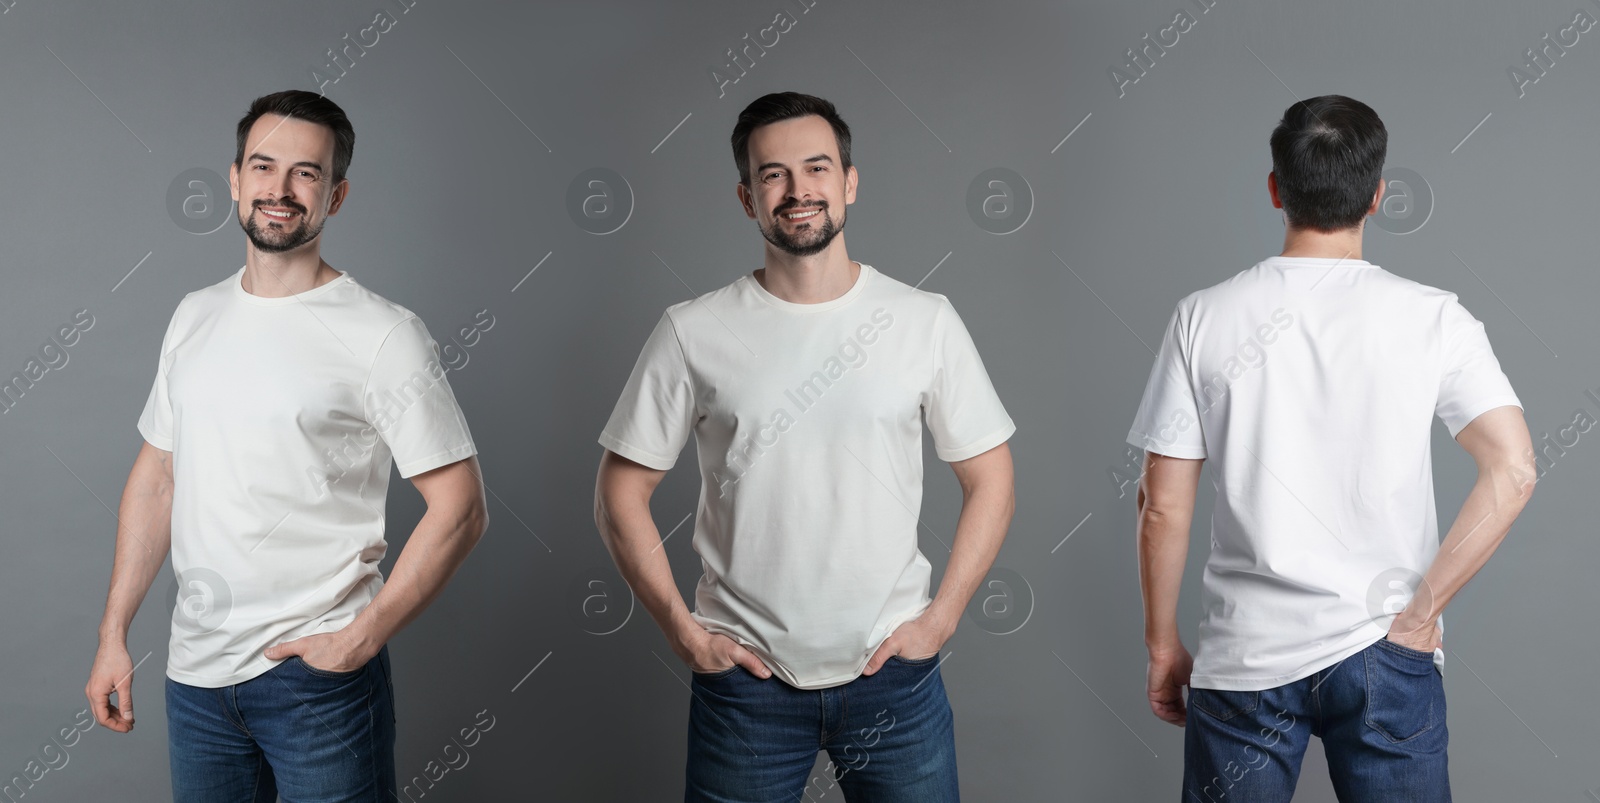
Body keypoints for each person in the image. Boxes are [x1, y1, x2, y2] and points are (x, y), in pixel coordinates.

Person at [593, 91, 1016, 802]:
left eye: (817, 168)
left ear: (849, 182)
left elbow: (992, 477)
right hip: (746, 687)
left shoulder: (923, 321)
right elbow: (618, 492)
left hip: (895, 681)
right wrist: (684, 632)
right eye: (773, 175)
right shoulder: (692, 331)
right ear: (746, 197)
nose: (798, 191)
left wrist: (940, 617)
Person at [84, 89, 488, 802]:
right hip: (196, 681)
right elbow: (157, 477)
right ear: (234, 178)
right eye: (263, 167)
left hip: (317, 684)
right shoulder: (194, 315)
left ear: (336, 194)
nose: (280, 189)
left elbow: (461, 508)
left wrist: (360, 639)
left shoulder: (383, 334)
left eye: (306, 172)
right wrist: (114, 632)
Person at [1128, 94, 1536, 801]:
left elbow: (1162, 505)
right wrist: (1419, 614)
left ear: (1275, 190)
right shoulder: (1434, 317)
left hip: (1245, 654)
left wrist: (1163, 644)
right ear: (1377, 195)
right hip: (1386, 645)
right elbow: (1514, 468)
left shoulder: (1204, 315)